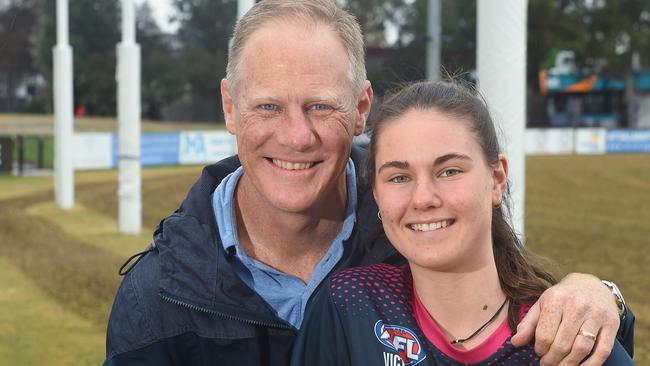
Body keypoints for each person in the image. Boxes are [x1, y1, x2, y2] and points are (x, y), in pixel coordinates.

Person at [103, 1, 633, 365]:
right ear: (229, 107)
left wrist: (598, 294)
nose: (297, 136)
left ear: (360, 109)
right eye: (268, 106)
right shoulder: (156, 297)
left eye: (319, 106)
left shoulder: (416, 226)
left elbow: (521, 293)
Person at [290, 80, 635, 366]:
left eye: (449, 171)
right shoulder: (351, 305)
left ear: (497, 178)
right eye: (399, 177)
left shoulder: (564, 332)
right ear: (377, 194)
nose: (423, 198)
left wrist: (602, 293)